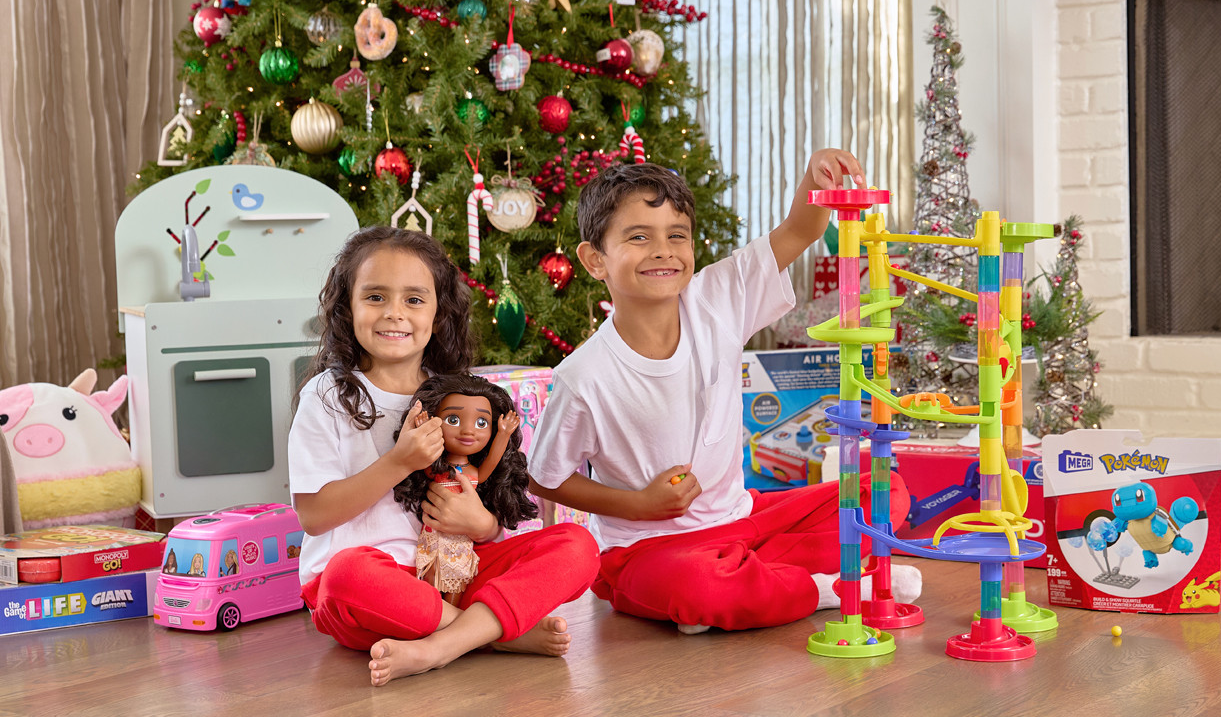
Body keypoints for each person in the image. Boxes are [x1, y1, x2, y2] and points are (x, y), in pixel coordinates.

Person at [527, 154, 920, 634]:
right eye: (638, 237)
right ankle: (832, 589)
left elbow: (799, 230)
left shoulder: (716, 299)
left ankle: (749, 584)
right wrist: (638, 505)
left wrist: (816, 172)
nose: (663, 250)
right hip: (647, 551)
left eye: (677, 235)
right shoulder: (584, 375)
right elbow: (545, 479)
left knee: (885, 491)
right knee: (699, 585)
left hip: (746, 521)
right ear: (594, 261)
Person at [289, 226, 599, 685]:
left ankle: (443, 644)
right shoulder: (328, 395)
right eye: (375, 296)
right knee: (345, 575)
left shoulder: (458, 395)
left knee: (578, 547)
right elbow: (313, 516)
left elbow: (486, 494)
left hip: (456, 573)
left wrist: (485, 526)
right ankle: (492, 634)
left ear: (438, 314)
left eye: (414, 300)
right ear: (346, 307)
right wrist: (399, 462)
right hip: (373, 589)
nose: (394, 313)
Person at [392, 374, 540, 606]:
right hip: (435, 536)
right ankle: (437, 615)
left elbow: (490, 464)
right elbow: (424, 464)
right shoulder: (437, 470)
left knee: (458, 579)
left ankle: (452, 619)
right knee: (431, 578)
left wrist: (502, 434)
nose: (468, 431)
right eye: (453, 419)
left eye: (481, 423)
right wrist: (423, 430)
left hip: (463, 540)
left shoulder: (473, 472)